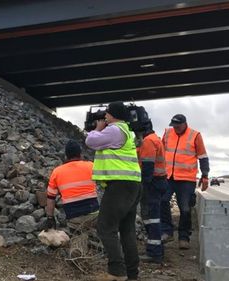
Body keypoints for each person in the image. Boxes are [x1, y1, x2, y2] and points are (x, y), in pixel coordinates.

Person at [86, 101, 142, 281]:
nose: (105, 116)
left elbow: (91, 141)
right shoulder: (126, 130)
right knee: (127, 230)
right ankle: (132, 273)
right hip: (132, 184)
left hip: (120, 186)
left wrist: (97, 129)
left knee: (105, 227)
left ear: (114, 115)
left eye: (107, 113)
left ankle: (117, 271)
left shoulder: (115, 130)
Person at [161, 114, 209, 249]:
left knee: (185, 209)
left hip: (186, 179)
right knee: (163, 201)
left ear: (184, 124)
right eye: (173, 126)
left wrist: (205, 175)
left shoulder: (195, 135)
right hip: (168, 176)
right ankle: (167, 231)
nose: (175, 128)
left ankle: (184, 237)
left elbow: (203, 156)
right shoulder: (168, 133)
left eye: (178, 126)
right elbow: (161, 150)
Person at [45, 140, 99, 230]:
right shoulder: (91, 166)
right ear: (80, 154)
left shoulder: (57, 172)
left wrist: (50, 218)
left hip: (74, 219)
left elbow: (51, 198)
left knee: (75, 236)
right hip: (94, 216)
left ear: (66, 156)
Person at [136, 120, 168, 264]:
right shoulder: (155, 139)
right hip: (158, 182)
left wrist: (142, 186)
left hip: (152, 184)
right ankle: (157, 248)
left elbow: (147, 168)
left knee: (151, 218)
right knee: (152, 218)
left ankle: (155, 253)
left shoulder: (148, 141)